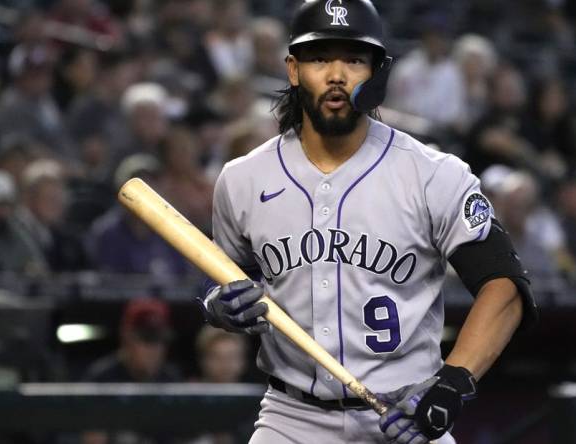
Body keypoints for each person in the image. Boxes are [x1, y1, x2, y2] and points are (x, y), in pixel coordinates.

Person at [197, 2, 538, 443]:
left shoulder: (433, 173)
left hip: (405, 413)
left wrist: (451, 384)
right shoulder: (242, 179)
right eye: (320, 58)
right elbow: (222, 277)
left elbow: (504, 285)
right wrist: (215, 306)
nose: (337, 74)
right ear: (294, 69)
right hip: (292, 418)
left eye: (354, 59)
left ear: (377, 72)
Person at [81, 297, 180, 444]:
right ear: (127, 337)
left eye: (159, 340)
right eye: (146, 339)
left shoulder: (171, 379)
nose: (154, 350)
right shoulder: (102, 379)